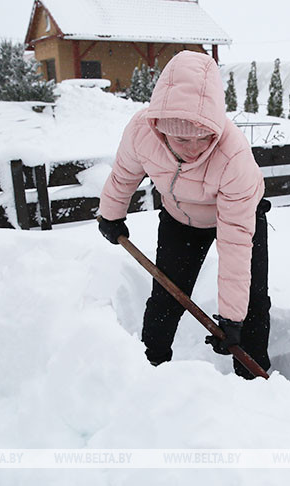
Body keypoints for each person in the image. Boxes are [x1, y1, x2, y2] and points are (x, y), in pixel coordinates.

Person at [96, 51, 271, 379]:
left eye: (202, 137)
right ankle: (148, 367)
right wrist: (111, 213)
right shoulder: (141, 131)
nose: (192, 148)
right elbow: (124, 174)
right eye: (180, 138)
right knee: (166, 295)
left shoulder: (234, 158)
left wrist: (232, 319)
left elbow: (234, 247)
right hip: (180, 218)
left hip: (237, 216)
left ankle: (255, 383)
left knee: (252, 304)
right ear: (160, 128)